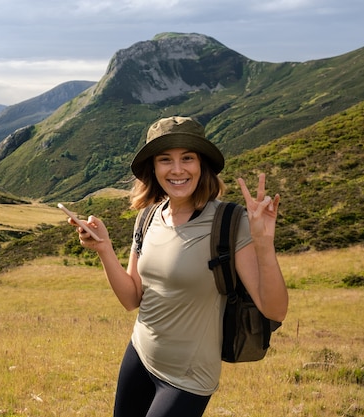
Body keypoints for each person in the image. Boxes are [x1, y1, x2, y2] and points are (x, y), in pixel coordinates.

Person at [66, 116, 289, 417]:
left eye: (187, 158)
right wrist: (105, 249)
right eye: (165, 160)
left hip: (188, 379)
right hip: (140, 355)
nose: (177, 169)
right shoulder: (147, 217)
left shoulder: (229, 223)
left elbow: (274, 311)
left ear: (202, 165)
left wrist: (263, 242)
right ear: (154, 168)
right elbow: (132, 299)